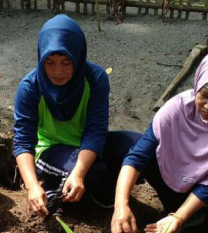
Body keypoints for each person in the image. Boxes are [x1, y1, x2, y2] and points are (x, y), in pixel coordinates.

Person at [111, 49, 208, 233]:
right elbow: (138, 156)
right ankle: (180, 210)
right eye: (205, 95)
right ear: (197, 85)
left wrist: (179, 217)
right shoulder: (177, 108)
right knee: (140, 148)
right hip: (180, 180)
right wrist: (120, 205)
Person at [13, 14, 139, 216]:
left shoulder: (95, 78)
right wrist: (32, 186)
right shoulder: (30, 87)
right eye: (50, 62)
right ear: (41, 58)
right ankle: (56, 192)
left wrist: (79, 173)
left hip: (87, 144)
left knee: (139, 147)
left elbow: (96, 130)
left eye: (66, 62)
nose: (57, 71)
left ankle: (98, 188)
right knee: (96, 172)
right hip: (51, 149)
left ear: (78, 57)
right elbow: (22, 142)